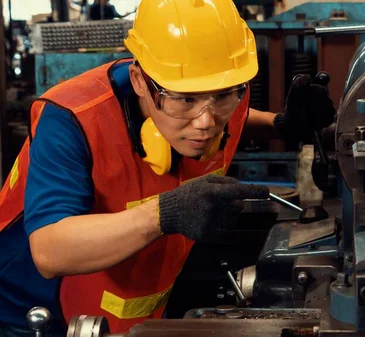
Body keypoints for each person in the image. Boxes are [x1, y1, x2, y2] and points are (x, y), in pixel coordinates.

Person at [0, 0, 336, 336]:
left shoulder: (219, 94)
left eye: (222, 96)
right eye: (185, 100)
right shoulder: (71, 120)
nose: (206, 122)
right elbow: (49, 250)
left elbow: (228, 112)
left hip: (137, 303)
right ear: (139, 81)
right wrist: (164, 213)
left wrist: (281, 124)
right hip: (37, 312)